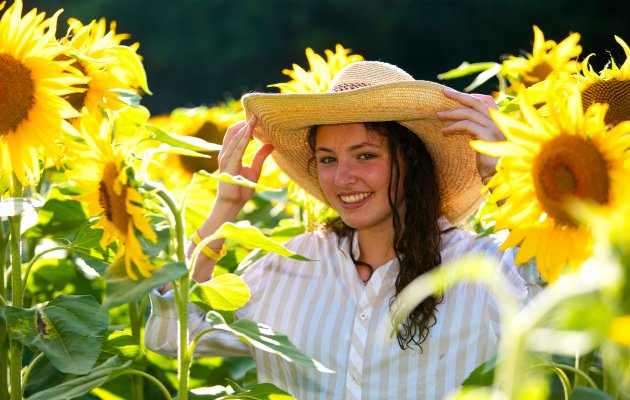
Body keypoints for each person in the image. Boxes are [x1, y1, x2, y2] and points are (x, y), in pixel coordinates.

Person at [145, 61, 529, 400]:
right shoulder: (291, 265)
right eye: (327, 159)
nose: (343, 178)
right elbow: (170, 334)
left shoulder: (481, 269)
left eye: (365, 155)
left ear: (412, 161)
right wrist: (224, 210)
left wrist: (502, 176)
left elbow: (558, 311)